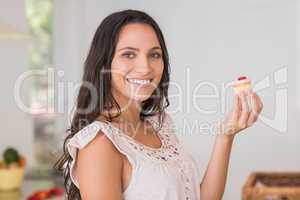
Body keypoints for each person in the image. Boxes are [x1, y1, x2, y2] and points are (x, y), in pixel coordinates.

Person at [55, 9, 263, 200]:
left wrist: (225, 136)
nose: (145, 67)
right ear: (104, 63)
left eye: (154, 54)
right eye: (129, 54)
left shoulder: (159, 125)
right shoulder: (99, 143)